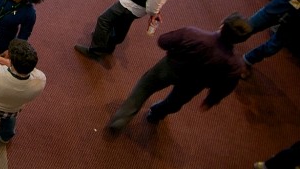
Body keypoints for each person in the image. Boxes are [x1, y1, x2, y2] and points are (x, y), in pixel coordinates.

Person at [106, 13, 251, 131]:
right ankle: (156, 114)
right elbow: (224, 87)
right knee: (174, 102)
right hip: (194, 84)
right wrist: (210, 101)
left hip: (169, 68)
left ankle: (120, 120)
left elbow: (163, 41)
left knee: (144, 88)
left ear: (223, 24)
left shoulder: (193, 34)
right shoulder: (235, 65)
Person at [242, 0, 299, 78]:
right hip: (281, 6)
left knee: (272, 47)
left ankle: (246, 61)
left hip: (295, 21)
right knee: (248, 27)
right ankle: (220, 42)